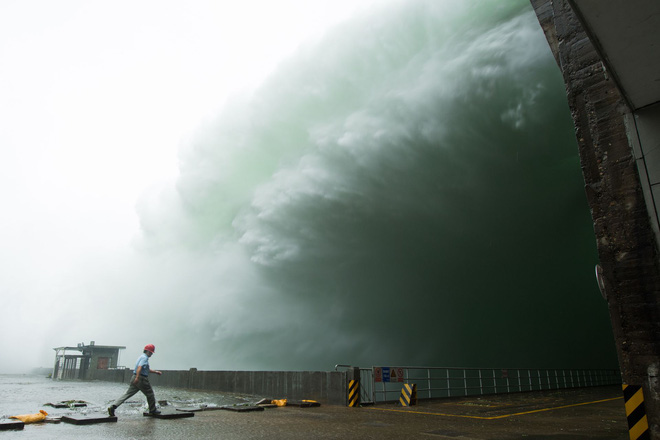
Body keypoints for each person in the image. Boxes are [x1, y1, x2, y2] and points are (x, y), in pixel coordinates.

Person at [108, 344, 163, 417]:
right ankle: (152, 410)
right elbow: (139, 368)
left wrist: (156, 372)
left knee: (127, 394)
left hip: (134, 377)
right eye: (151, 352)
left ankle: (113, 406)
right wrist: (137, 378)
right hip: (141, 379)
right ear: (148, 352)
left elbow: (145, 369)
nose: (152, 354)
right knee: (150, 394)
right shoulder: (145, 358)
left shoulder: (141, 357)